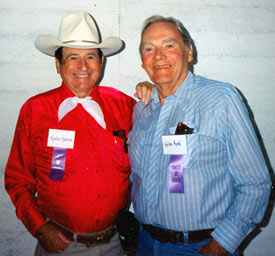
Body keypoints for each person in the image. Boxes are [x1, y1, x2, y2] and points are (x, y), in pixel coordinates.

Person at [4, 11, 152, 256]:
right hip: (59, 245)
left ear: (101, 62)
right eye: (73, 57)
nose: (83, 67)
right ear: (58, 64)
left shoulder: (125, 106)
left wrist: (153, 92)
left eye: (91, 57)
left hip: (115, 244)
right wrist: (40, 228)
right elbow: (17, 180)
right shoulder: (35, 110)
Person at [127, 15, 271, 256]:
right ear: (142, 60)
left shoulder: (220, 99)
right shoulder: (142, 108)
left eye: (169, 45)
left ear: (189, 52)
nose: (159, 55)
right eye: (149, 48)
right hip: (146, 243)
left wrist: (222, 244)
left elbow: (256, 184)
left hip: (198, 247)